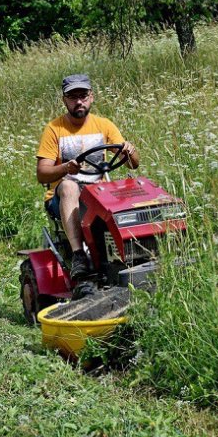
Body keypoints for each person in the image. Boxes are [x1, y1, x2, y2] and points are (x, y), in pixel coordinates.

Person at [36, 74, 139, 297]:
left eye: (83, 96)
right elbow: (42, 173)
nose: (78, 101)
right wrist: (65, 169)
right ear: (64, 100)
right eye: (72, 97)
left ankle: (134, 256)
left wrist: (129, 151)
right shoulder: (54, 129)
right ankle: (78, 258)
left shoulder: (104, 125)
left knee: (132, 189)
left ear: (91, 97)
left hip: (97, 196)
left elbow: (133, 164)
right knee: (69, 186)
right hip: (62, 199)